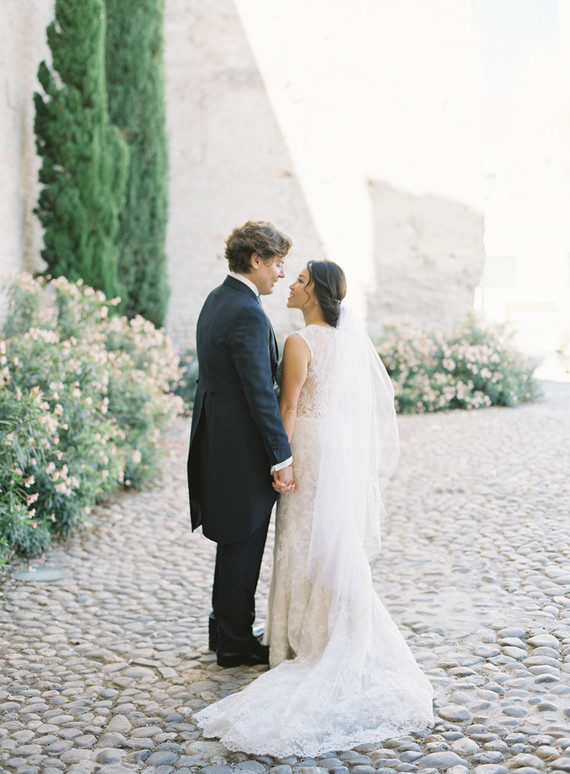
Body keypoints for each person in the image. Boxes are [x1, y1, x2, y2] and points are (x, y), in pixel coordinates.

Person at [194, 260, 434, 756]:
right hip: (335, 446)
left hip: (305, 445)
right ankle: (329, 624)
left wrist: (280, 461)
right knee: (330, 535)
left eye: (300, 280)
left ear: (314, 293)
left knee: (302, 537)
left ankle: (299, 635)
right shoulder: (342, 342)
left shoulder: (301, 342)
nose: (290, 282)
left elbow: (287, 405)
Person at [187, 220, 296, 669]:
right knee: (244, 541)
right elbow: (258, 392)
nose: (282, 274)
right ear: (256, 261)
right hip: (239, 450)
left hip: (218, 441)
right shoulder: (247, 311)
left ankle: (224, 628)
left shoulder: (219, 298)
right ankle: (234, 643)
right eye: (277, 263)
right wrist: (282, 456)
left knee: (234, 540)